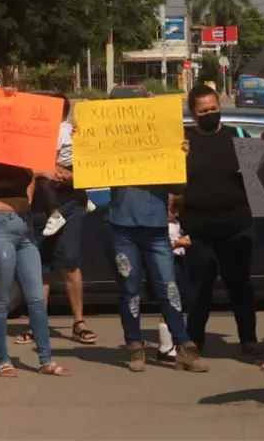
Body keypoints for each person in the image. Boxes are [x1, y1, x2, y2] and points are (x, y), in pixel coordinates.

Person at [107, 138, 207, 373]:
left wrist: (179, 157)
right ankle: (134, 345)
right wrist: (84, 141)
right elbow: (91, 169)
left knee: (168, 287)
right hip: (123, 228)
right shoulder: (113, 143)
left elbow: (177, 188)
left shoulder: (159, 144)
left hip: (156, 229)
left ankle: (183, 347)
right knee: (130, 289)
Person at [0, 157, 70, 378]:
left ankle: (46, 360)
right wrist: (35, 169)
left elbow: (28, 190)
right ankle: (3, 359)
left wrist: (36, 174)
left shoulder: (19, 154)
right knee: (1, 299)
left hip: (23, 226)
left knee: (36, 298)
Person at [181, 84, 260, 356]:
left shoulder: (239, 136)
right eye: (204, 111)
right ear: (193, 113)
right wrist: (180, 157)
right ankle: (195, 340)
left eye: (214, 109)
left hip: (236, 226)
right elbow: (170, 182)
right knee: (199, 288)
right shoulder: (183, 142)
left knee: (239, 285)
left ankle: (248, 338)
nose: (210, 114)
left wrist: (249, 169)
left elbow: (259, 178)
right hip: (198, 229)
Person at [15, 95, 97, 346]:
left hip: (70, 205)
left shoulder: (76, 135)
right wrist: (42, 170)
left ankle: (79, 323)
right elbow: (20, 166)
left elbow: (95, 166)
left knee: (69, 264)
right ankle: (37, 324)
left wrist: (67, 175)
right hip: (38, 207)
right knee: (40, 268)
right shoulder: (29, 135)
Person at [37, 94, 95, 237]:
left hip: (61, 167)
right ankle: (85, 200)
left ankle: (54, 215)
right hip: (73, 166)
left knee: (46, 183)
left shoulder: (57, 132)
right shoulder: (70, 128)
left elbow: (51, 158)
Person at [157, 199, 192, 363]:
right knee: (169, 303)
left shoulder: (176, 223)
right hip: (169, 262)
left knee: (178, 302)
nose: (176, 214)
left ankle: (172, 343)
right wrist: (179, 242)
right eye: (172, 210)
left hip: (179, 262)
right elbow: (163, 245)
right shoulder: (161, 226)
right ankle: (165, 346)